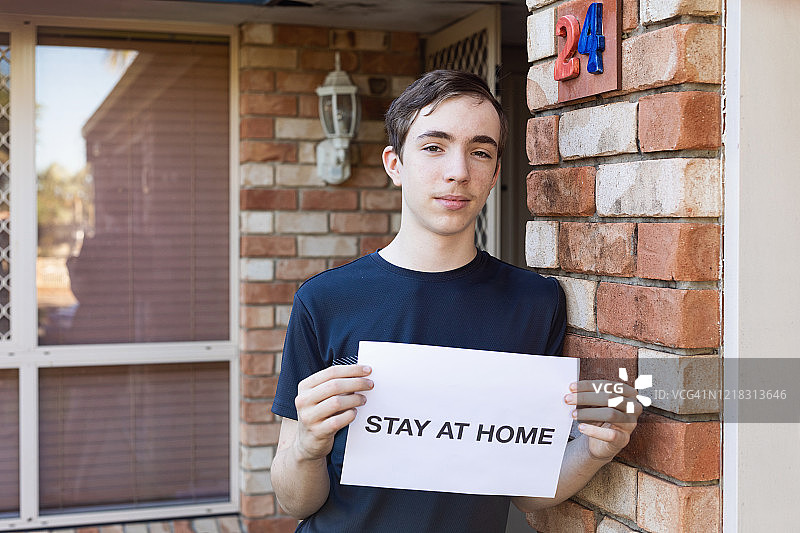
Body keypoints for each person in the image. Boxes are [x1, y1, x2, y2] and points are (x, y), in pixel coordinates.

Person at [270, 70, 641, 532]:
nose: (458, 171)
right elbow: (294, 502)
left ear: (494, 174)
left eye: (480, 151)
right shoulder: (325, 300)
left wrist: (593, 450)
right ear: (394, 164)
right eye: (433, 147)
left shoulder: (534, 303)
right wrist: (306, 445)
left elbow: (524, 490)